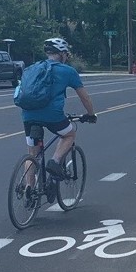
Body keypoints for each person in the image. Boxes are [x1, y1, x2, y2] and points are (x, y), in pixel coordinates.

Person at [21, 38, 97, 179]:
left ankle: (28, 193)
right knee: (69, 134)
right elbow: (84, 97)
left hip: (28, 116)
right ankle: (55, 162)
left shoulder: (31, 68)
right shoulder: (68, 71)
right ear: (62, 54)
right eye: (66, 54)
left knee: (33, 155)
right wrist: (91, 114)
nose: (66, 57)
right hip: (52, 117)